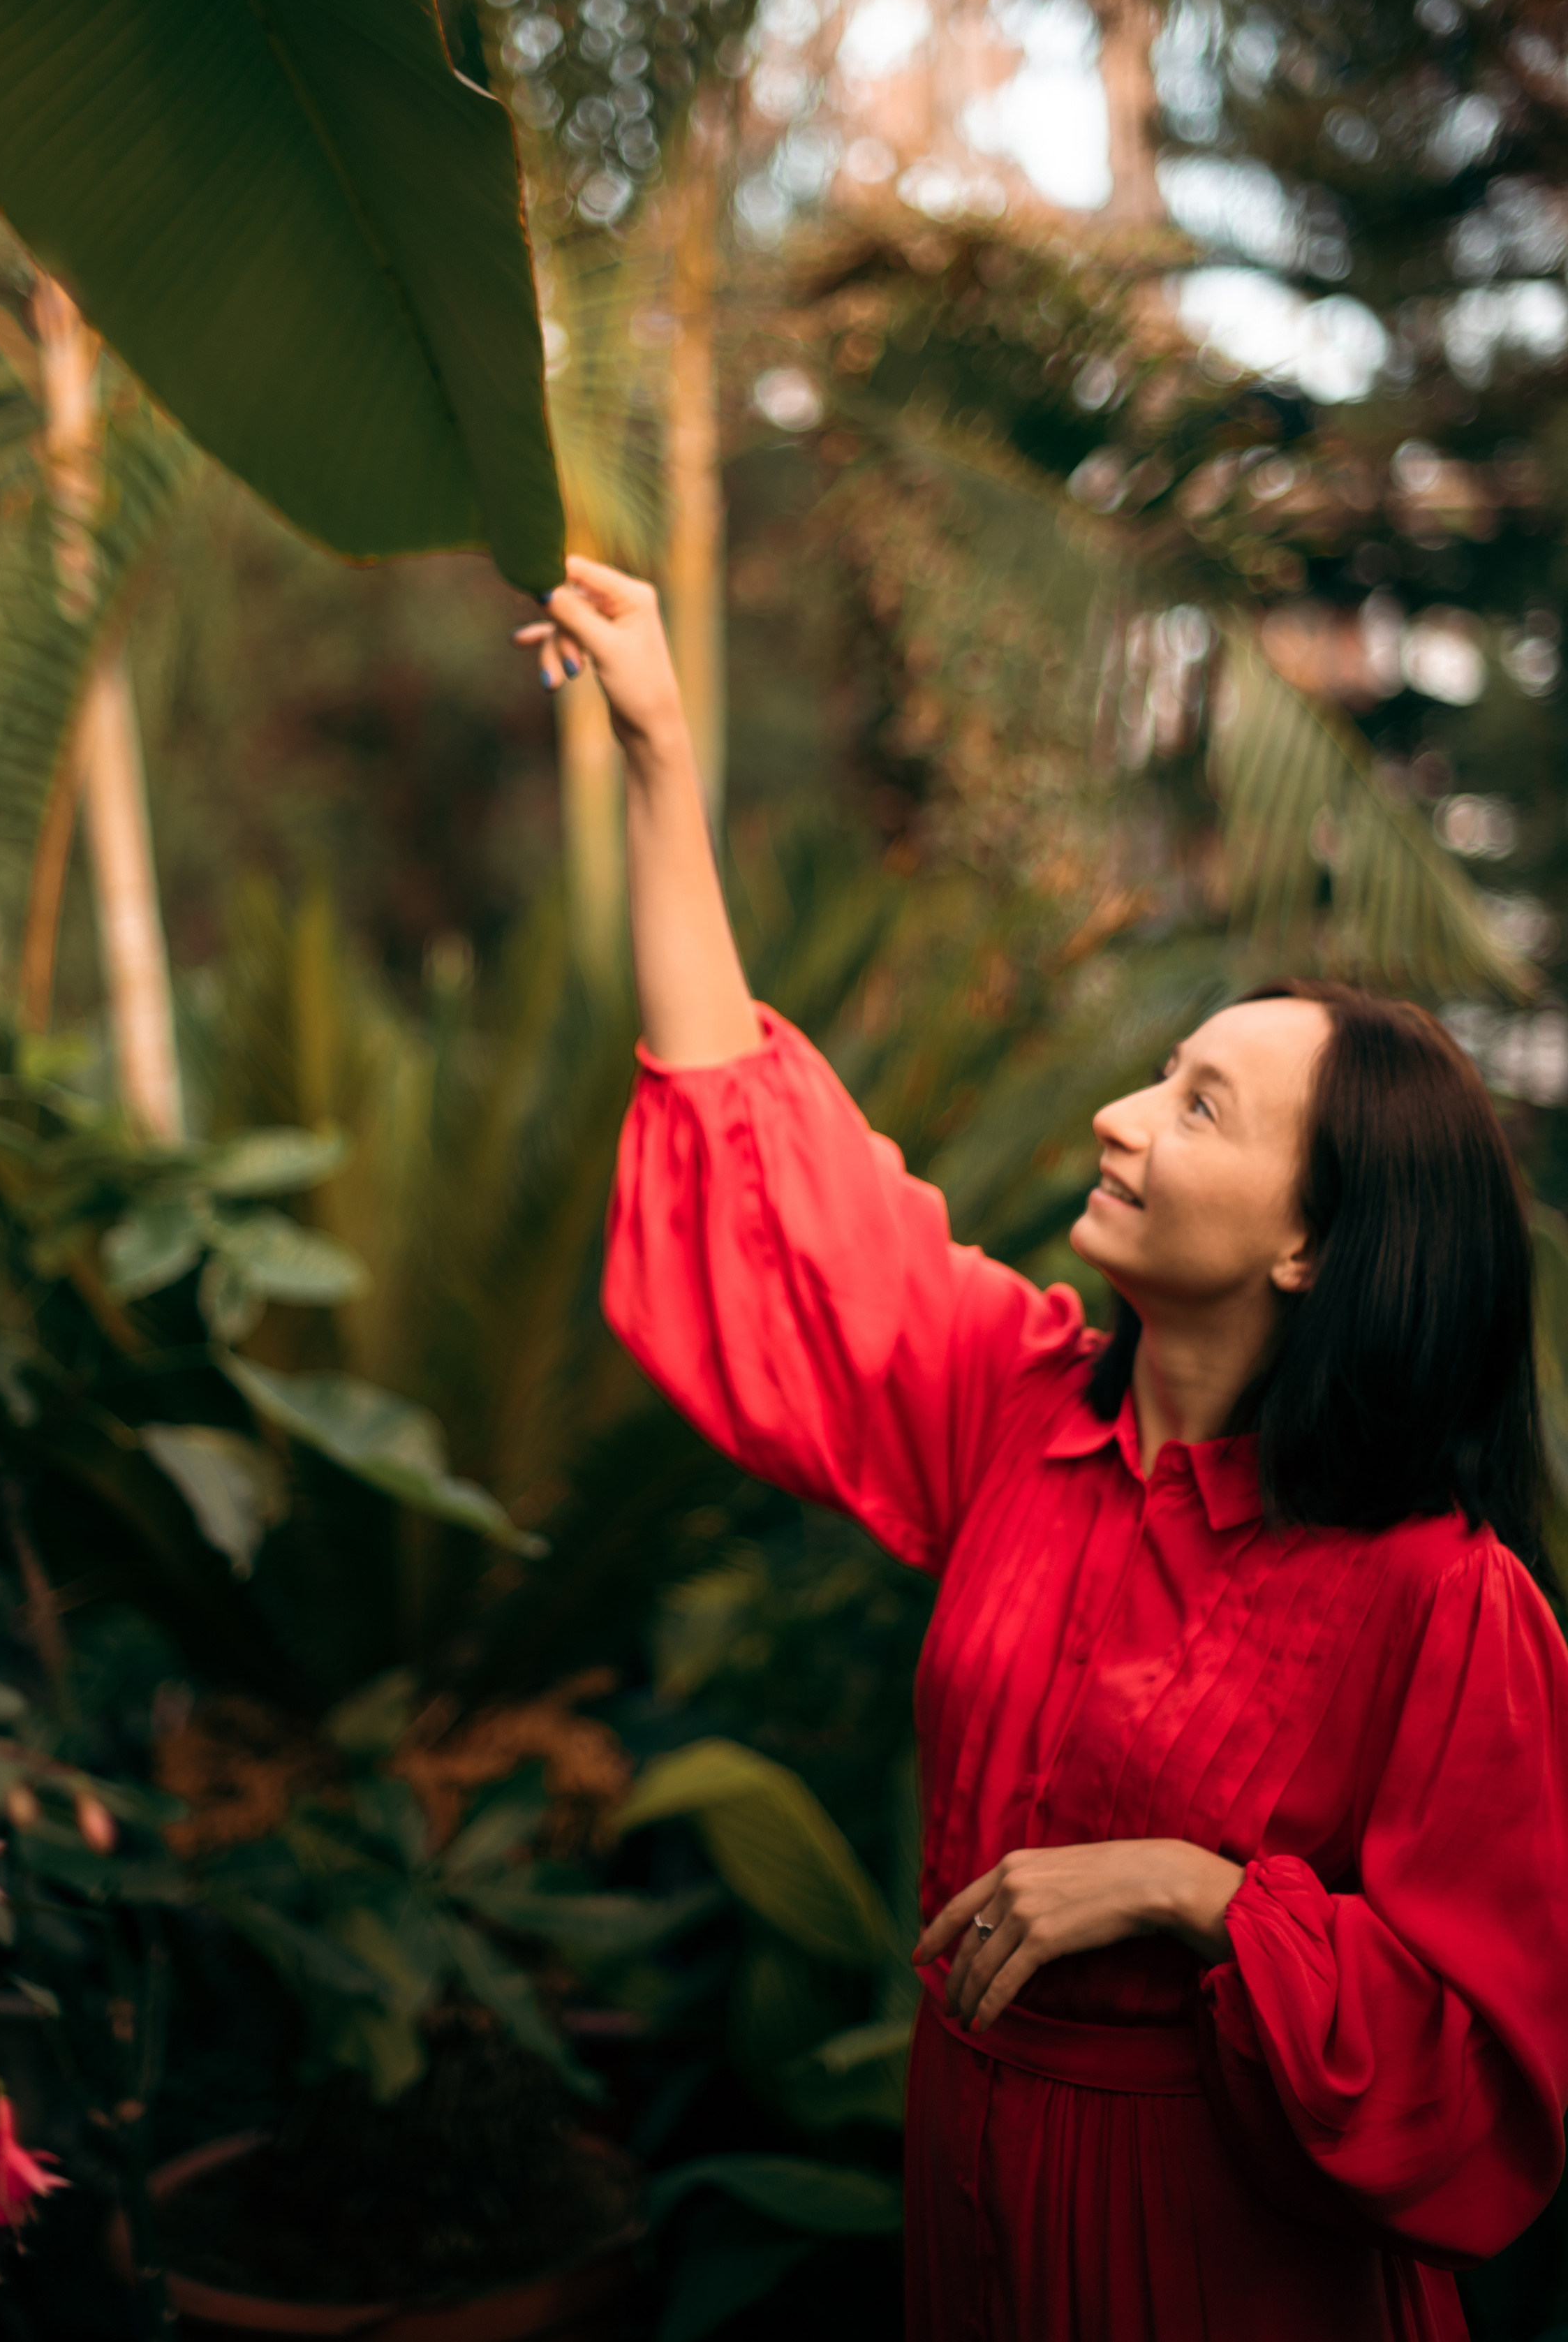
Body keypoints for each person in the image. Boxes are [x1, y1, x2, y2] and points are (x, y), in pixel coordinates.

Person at [518, 557, 1568, 2342]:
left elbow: (1481, 2080)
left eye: (1196, 1106)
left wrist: (1201, 1897)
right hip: (973, 2223)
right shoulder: (1018, 1413)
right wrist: (661, 753)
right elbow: (762, 1170)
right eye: (1159, 1075)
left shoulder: (1439, 1601)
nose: (1119, 1112)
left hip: (1232, 2272)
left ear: (1311, 1243)